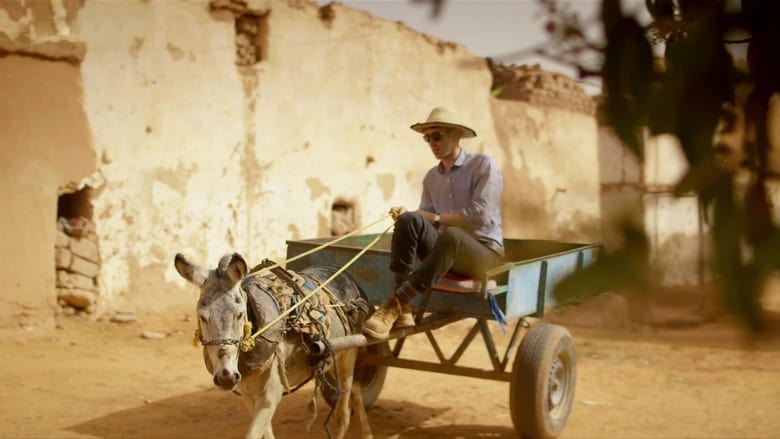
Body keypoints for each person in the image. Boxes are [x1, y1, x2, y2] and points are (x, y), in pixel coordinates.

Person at [362, 107, 505, 339]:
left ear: (456, 135)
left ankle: (396, 303)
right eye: (427, 138)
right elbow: (425, 218)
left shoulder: (482, 165)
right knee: (409, 220)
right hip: (446, 253)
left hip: (483, 255)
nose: (432, 143)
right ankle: (404, 309)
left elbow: (480, 214)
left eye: (437, 136)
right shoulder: (431, 177)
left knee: (453, 236)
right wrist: (408, 214)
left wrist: (435, 218)